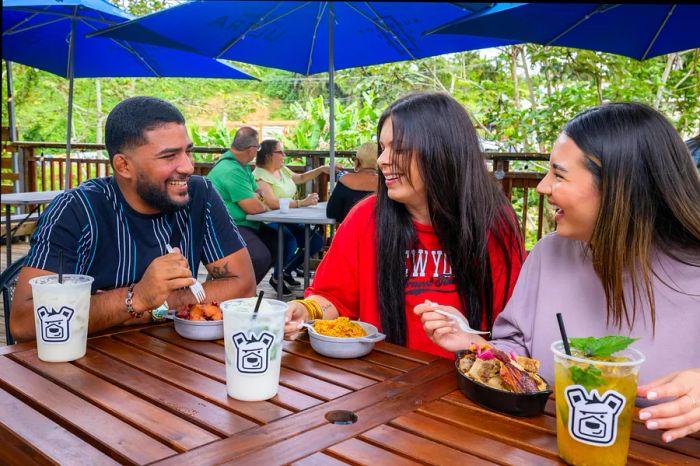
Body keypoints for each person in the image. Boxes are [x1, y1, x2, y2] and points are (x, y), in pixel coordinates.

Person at [419, 102, 700, 442]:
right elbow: (519, 354)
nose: (542, 187)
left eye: (559, 174)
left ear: (618, 187)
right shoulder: (548, 253)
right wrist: (474, 344)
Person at [284, 92, 525, 359]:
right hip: (385, 382)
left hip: (469, 383)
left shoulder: (494, 222)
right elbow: (333, 299)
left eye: (398, 148)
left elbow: (513, 331)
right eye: (382, 148)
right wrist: (305, 311)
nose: (382, 160)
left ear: (442, 152)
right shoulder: (365, 217)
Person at [10, 96, 256, 341]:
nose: (187, 167)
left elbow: (244, 288)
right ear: (123, 166)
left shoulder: (200, 194)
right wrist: (136, 297)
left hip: (177, 363)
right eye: (169, 156)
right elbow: (23, 322)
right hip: (86, 365)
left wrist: (154, 305)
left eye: (187, 152)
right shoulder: (77, 210)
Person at [253, 139, 327, 295]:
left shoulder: (283, 170)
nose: (284, 155)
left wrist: (321, 169)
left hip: (289, 217)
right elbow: (272, 202)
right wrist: (301, 203)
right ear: (268, 155)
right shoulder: (259, 175)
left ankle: (287, 270)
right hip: (268, 220)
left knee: (316, 240)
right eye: (280, 152)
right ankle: (276, 278)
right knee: (289, 241)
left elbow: (300, 178)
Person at [208, 126, 278, 284]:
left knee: (280, 240)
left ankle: (247, 288)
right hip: (226, 226)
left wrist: (258, 198)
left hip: (245, 223)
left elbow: (259, 194)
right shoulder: (231, 169)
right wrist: (260, 201)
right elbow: (253, 207)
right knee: (260, 256)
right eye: (258, 147)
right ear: (251, 150)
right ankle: (235, 293)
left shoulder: (242, 166)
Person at [326, 141, 378, 223]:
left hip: (351, 233)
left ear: (357, 162)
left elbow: (332, 213)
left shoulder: (345, 180)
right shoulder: (385, 183)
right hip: (380, 235)